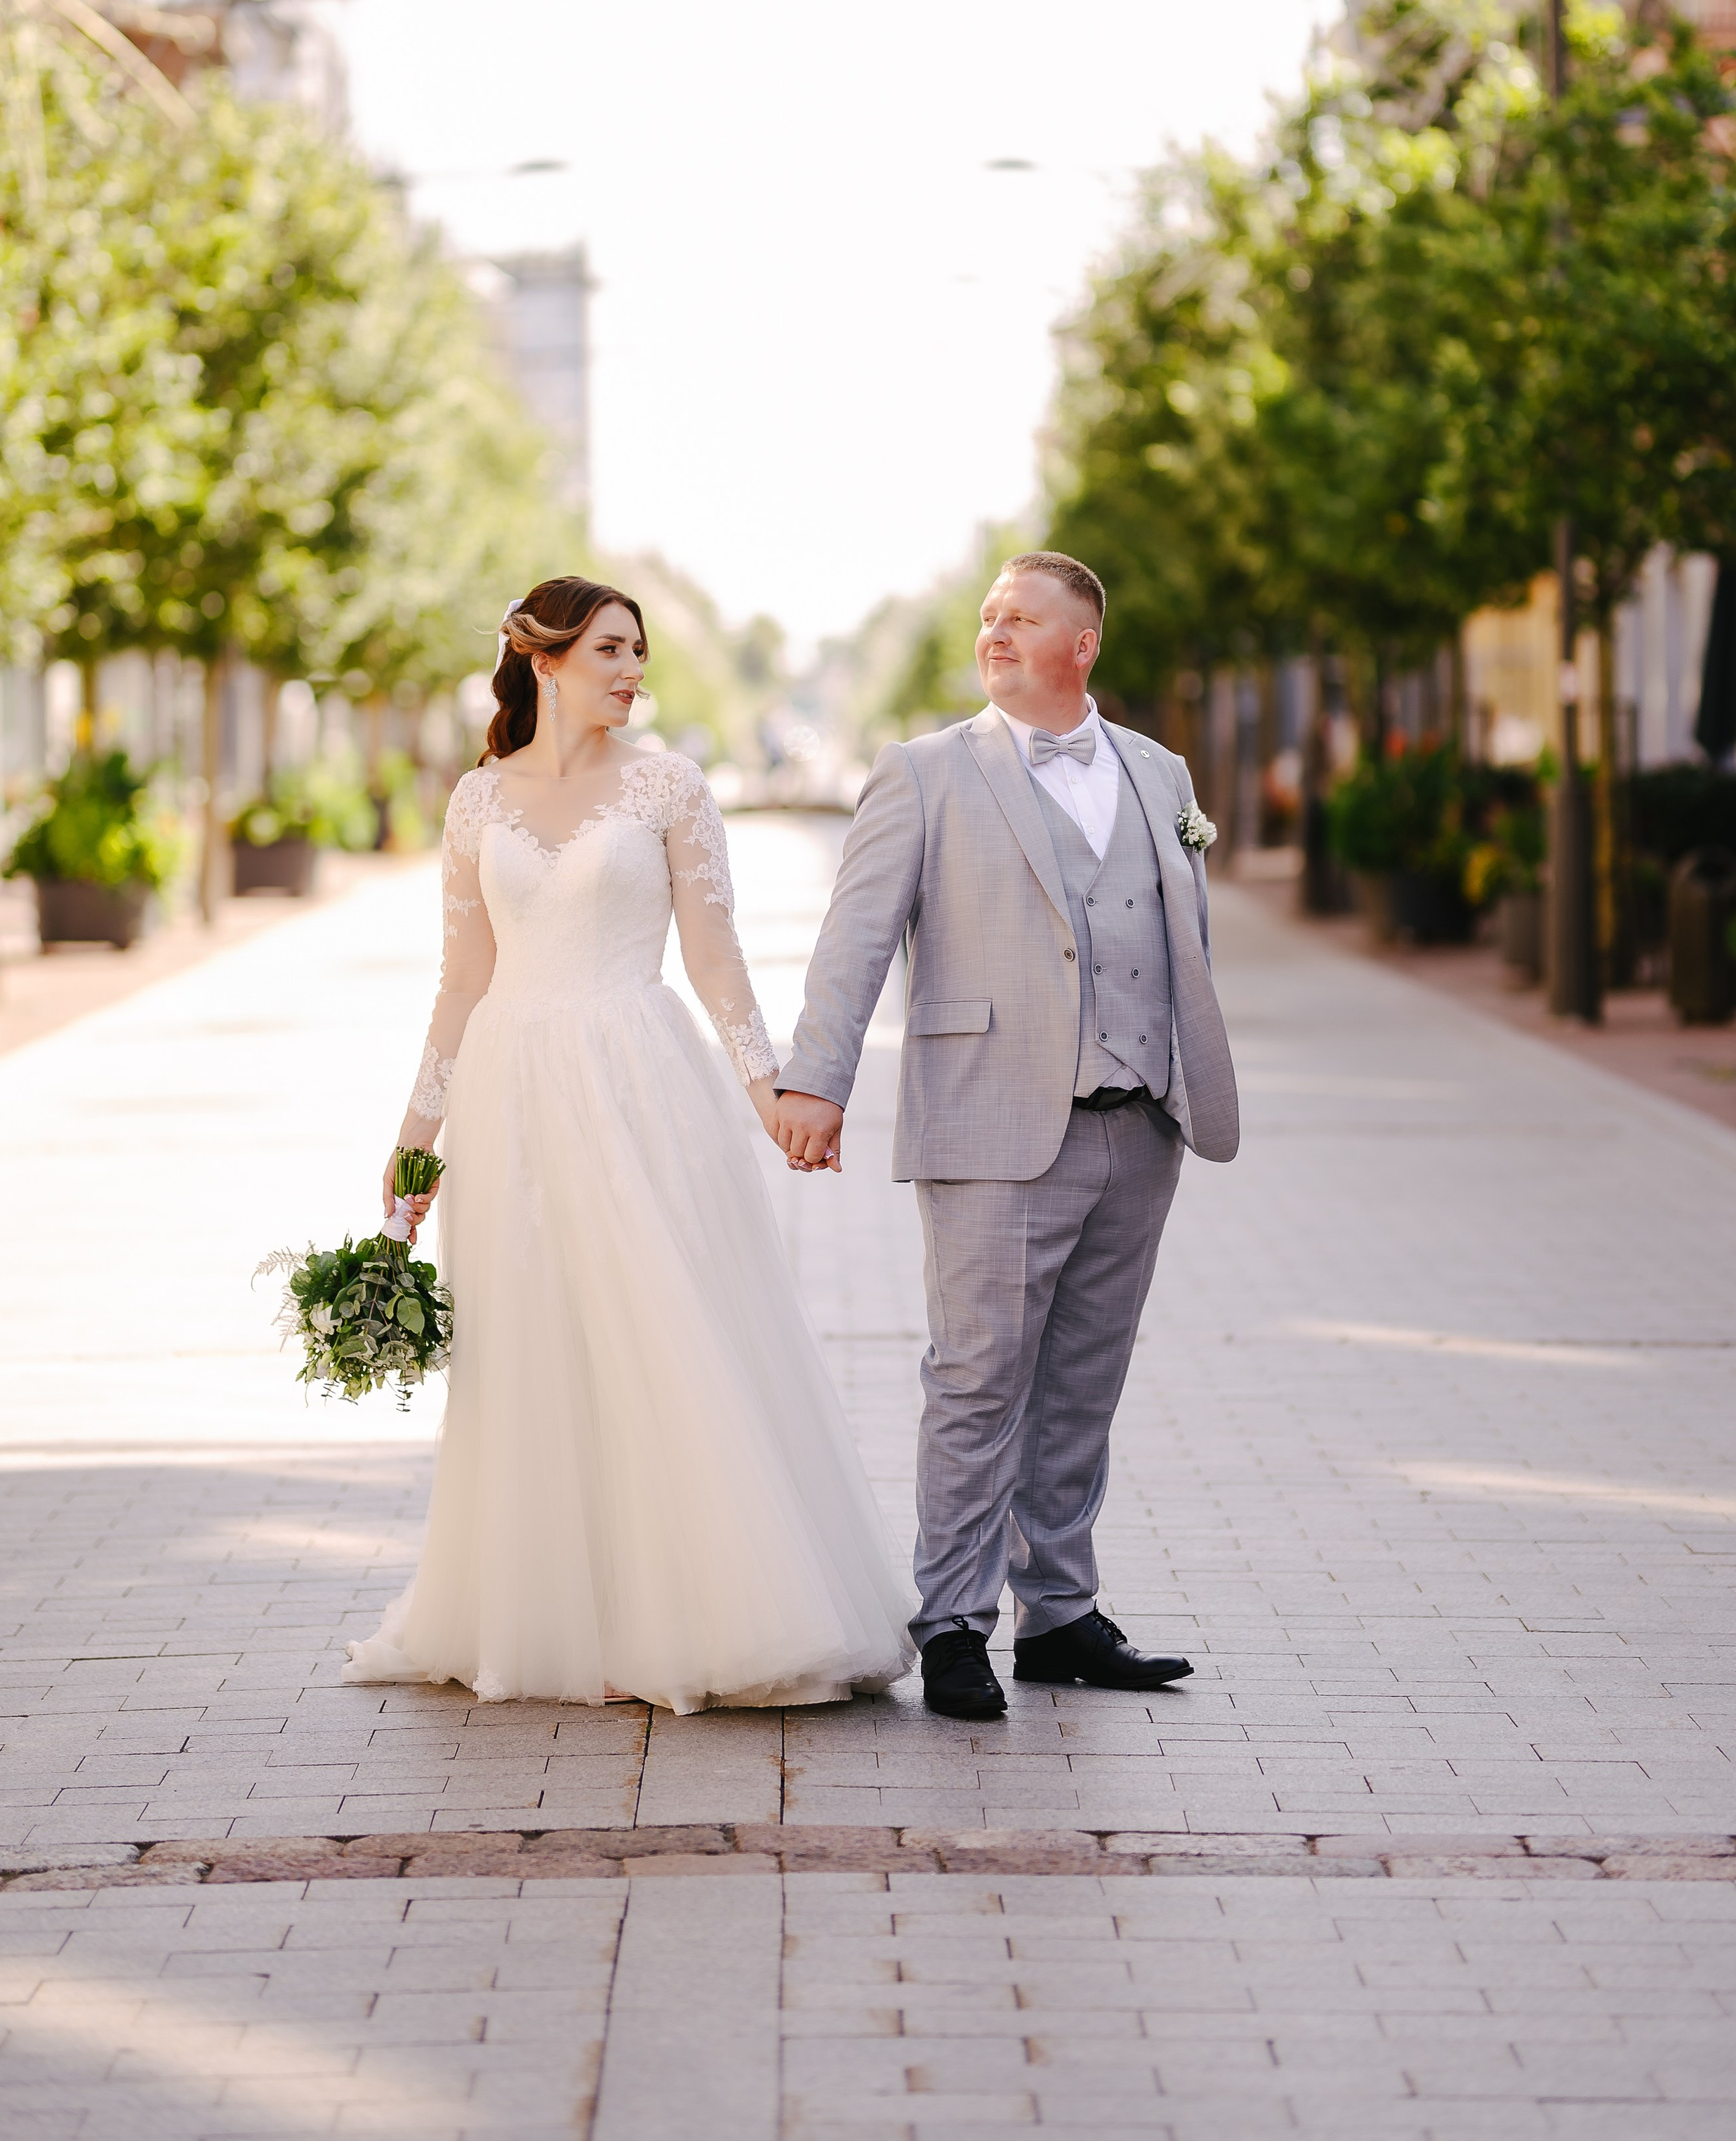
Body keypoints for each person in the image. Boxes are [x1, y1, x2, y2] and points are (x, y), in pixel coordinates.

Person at [345, 576, 912, 1713]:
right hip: (509, 1092)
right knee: (532, 1350)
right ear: (540, 658)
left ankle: (711, 1611)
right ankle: (553, 1616)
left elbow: (716, 964)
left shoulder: (669, 788)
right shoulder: (475, 801)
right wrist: (413, 1157)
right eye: (607, 648)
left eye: (636, 651)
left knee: (662, 1329)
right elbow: (460, 987)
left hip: (638, 1081)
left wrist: (774, 1097)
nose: (629, 669)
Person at [770, 552, 1238, 1719]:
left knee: (1086, 1382)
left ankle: (1065, 1614)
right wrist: (815, 1083)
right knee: (978, 1382)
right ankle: (953, 1626)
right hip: (991, 1121)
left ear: (1084, 645)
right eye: (988, 617)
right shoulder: (925, 774)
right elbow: (854, 939)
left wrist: (1184, 1078)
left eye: (1022, 619)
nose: (997, 633)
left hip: (1141, 1125)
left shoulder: (1156, 768)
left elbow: (1178, 932)